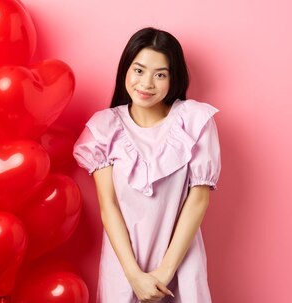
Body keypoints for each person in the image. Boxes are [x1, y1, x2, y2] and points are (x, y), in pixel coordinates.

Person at [73, 27, 220, 303]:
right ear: (125, 70)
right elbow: (109, 206)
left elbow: (198, 201)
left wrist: (164, 273)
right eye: (139, 70)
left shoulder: (195, 121)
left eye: (160, 74)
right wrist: (134, 276)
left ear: (173, 78)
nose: (147, 83)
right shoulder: (104, 128)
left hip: (181, 262)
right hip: (125, 265)